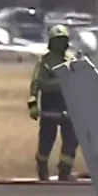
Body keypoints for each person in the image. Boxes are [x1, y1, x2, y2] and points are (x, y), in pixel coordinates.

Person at [27, 24, 78, 181]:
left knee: (71, 138)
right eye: (57, 41)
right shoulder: (45, 62)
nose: (61, 45)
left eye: (63, 41)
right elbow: (36, 84)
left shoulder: (72, 59)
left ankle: (65, 171)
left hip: (68, 103)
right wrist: (33, 105)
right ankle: (42, 170)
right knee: (47, 139)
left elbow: (80, 81)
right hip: (50, 103)